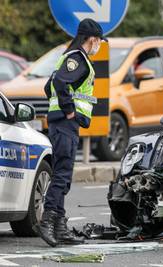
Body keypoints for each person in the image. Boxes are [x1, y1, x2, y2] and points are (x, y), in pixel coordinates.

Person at [39, 18, 107, 247]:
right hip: (65, 124)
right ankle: (48, 222)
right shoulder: (78, 59)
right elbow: (58, 82)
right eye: (99, 41)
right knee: (62, 176)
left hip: (63, 124)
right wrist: (68, 111)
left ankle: (59, 227)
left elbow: (48, 87)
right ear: (93, 39)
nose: (99, 45)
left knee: (63, 174)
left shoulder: (70, 57)